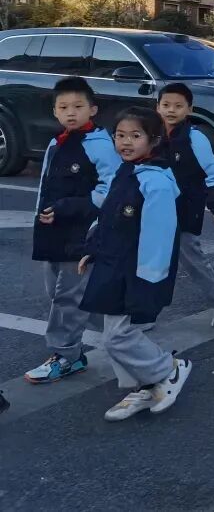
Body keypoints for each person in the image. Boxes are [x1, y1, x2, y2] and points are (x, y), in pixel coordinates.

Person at [78, 107, 192, 421]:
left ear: (153, 140)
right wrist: (93, 248)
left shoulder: (155, 182)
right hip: (112, 265)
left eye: (135, 136)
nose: (126, 142)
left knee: (117, 336)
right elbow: (106, 216)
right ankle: (146, 384)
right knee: (113, 331)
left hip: (135, 272)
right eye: (120, 135)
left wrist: (149, 279)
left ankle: (167, 369)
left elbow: (159, 236)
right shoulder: (126, 171)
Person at [25, 77, 121, 385]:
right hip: (52, 231)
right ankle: (123, 325)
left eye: (78, 106)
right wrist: (38, 216)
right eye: (63, 107)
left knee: (67, 296)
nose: (71, 112)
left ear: (92, 109)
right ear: (54, 111)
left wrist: (71, 207)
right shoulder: (58, 142)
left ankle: (66, 355)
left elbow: (112, 188)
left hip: (82, 233)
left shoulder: (101, 146)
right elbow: (44, 185)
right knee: (57, 292)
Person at [156, 83, 214, 327]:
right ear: (156, 107)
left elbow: (213, 172)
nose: (171, 111)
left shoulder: (195, 137)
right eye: (166, 105)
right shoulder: (150, 135)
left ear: (189, 109)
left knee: (192, 258)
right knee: (151, 261)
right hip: (155, 208)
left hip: (186, 206)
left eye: (178, 106)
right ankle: (145, 312)